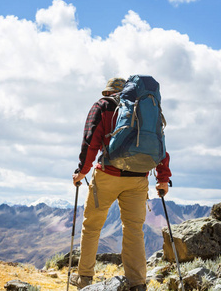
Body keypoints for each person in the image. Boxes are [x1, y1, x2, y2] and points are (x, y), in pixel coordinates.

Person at [71, 77, 172, 290]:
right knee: (134, 230)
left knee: (92, 227)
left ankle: (85, 278)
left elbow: (91, 141)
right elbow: (159, 144)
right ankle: (137, 283)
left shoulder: (103, 106)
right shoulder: (146, 108)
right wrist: (162, 178)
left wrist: (82, 171)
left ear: (108, 92)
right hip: (138, 179)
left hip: (108, 175)